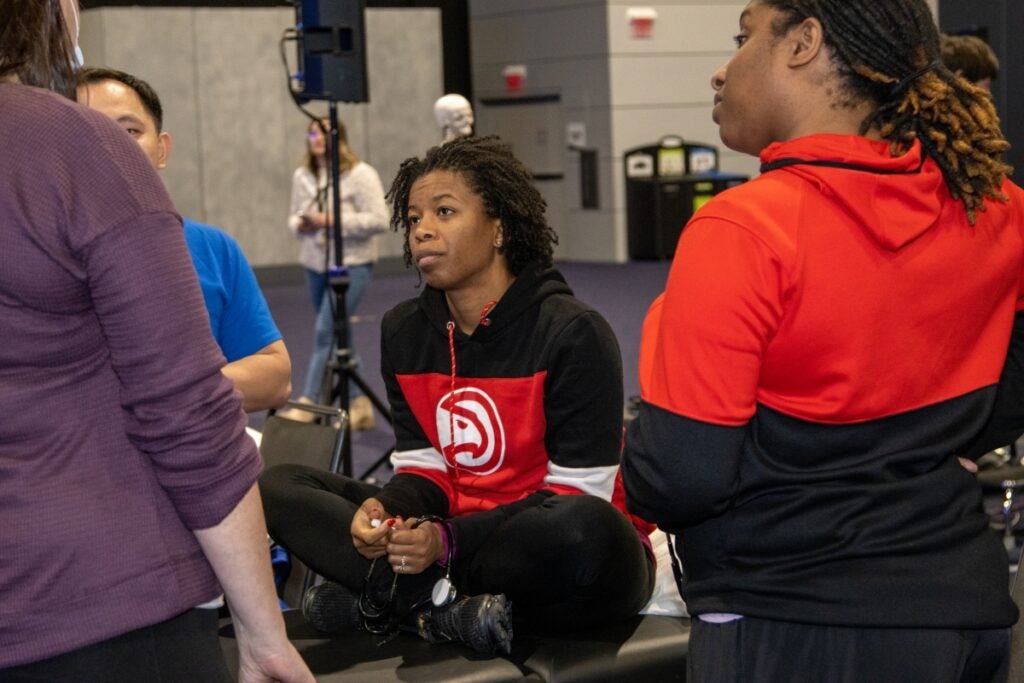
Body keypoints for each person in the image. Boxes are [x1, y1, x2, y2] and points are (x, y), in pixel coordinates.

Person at [621, 1, 1023, 681]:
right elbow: (1003, 403)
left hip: (791, 620)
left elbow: (679, 476)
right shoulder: (999, 208)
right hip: (964, 611)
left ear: (805, 42)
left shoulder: (744, 229)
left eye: (743, 38)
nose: (722, 71)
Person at [0, 1, 312, 680]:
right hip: (91, 604)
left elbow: (265, 372)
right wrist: (263, 630)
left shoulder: (212, 248)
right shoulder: (73, 148)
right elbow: (186, 412)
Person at [260, 135, 654, 655]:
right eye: (415, 217)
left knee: (586, 529)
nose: (422, 229)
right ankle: (440, 610)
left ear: (499, 228)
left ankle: (394, 598)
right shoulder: (405, 330)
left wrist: (446, 544)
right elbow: (425, 468)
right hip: (450, 536)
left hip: (550, 544)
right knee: (277, 484)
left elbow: (579, 496)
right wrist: (384, 509)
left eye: (444, 212)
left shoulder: (574, 332)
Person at [76, 67, 291, 414]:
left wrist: (166, 389)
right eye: (87, 133)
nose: (111, 149)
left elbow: (274, 377)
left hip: (201, 456)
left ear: (162, 150)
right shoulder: (33, 258)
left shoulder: (212, 248)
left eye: (129, 131)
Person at [280, 117, 388, 430]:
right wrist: (301, 223)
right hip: (315, 263)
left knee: (325, 331)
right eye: (312, 132)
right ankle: (359, 404)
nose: (316, 137)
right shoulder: (303, 175)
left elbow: (379, 220)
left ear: (340, 137)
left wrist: (330, 220)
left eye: (324, 132)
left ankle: (309, 401)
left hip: (353, 263)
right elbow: (292, 216)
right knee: (340, 332)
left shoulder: (361, 174)